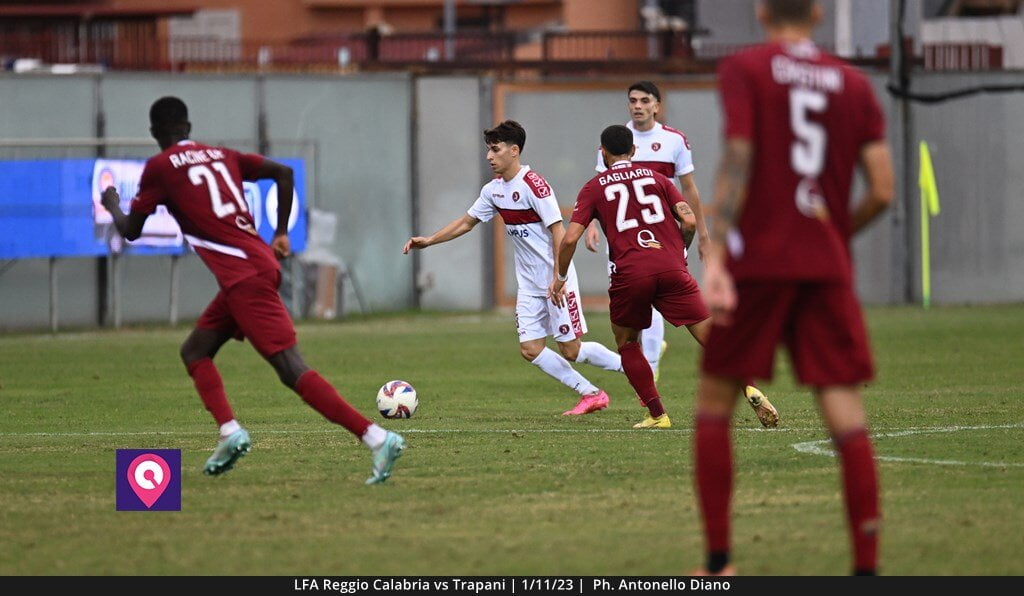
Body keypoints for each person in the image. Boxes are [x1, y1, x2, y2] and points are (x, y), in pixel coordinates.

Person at [100, 96, 405, 485]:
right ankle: (229, 431)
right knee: (194, 351)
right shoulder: (220, 154)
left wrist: (112, 203)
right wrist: (280, 232)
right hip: (252, 268)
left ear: (155, 133)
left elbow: (131, 230)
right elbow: (283, 173)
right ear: (189, 129)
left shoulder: (159, 167)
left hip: (244, 278)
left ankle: (377, 437)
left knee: (291, 368)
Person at [692, 0, 894, 575]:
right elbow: (882, 189)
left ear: (760, 12)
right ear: (818, 14)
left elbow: (739, 153)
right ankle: (866, 567)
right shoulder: (853, 84)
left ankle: (719, 564)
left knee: (715, 403)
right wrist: (830, 239)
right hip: (823, 267)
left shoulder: (747, 69)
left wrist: (718, 256)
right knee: (845, 411)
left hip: (758, 262)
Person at [585, 81, 778, 428]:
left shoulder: (672, 140)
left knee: (629, 336)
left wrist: (703, 237)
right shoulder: (623, 141)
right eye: (632, 100)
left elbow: (689, 189)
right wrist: (681, 246)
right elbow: (674, 202)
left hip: (636, 261)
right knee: (700, 328)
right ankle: (747, 383)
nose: (638, 106)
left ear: (657, 106)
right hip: (665, 254)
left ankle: (657, 411)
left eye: (645, 101)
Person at [403, 120, 623, 416]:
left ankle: (634, 368)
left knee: (571, 350)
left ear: (514, 151)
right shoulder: (494, 191)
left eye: (495, 150)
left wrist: (559, 277)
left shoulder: (534, 185)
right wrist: (429, 240)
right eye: (488, 150)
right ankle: (591, 393)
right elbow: (466, 222)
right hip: (530, 285)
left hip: (555, 280)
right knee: (530, 348)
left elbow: (560, 231)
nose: (489, 157)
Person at [553, 125, 708, 429]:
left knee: (627, 343)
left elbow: (570, 238)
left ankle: (657, 414)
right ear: (634, 151)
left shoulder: (594, 186)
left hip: (630, 272)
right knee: (709, 335)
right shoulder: (659, 178)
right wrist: (680, 253)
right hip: (670, 265)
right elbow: (688, 220)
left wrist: (560, 275)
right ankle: (750, 387)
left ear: (603, 153)